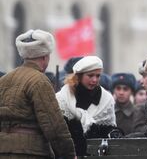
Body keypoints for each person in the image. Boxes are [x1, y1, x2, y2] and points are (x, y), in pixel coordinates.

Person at [0, 29, 76, 159]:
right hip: (30, 152)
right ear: (44, 56)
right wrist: (69, 154)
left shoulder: (4, 80)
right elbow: (54, 125)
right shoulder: (39, 81)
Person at [56, 55, 118, 156]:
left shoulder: (106, 100)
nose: (94, 80)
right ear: (79, 76)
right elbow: (57, 135)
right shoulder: (62, 98)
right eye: (90, 75)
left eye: (98, 76)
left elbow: (109, 134)